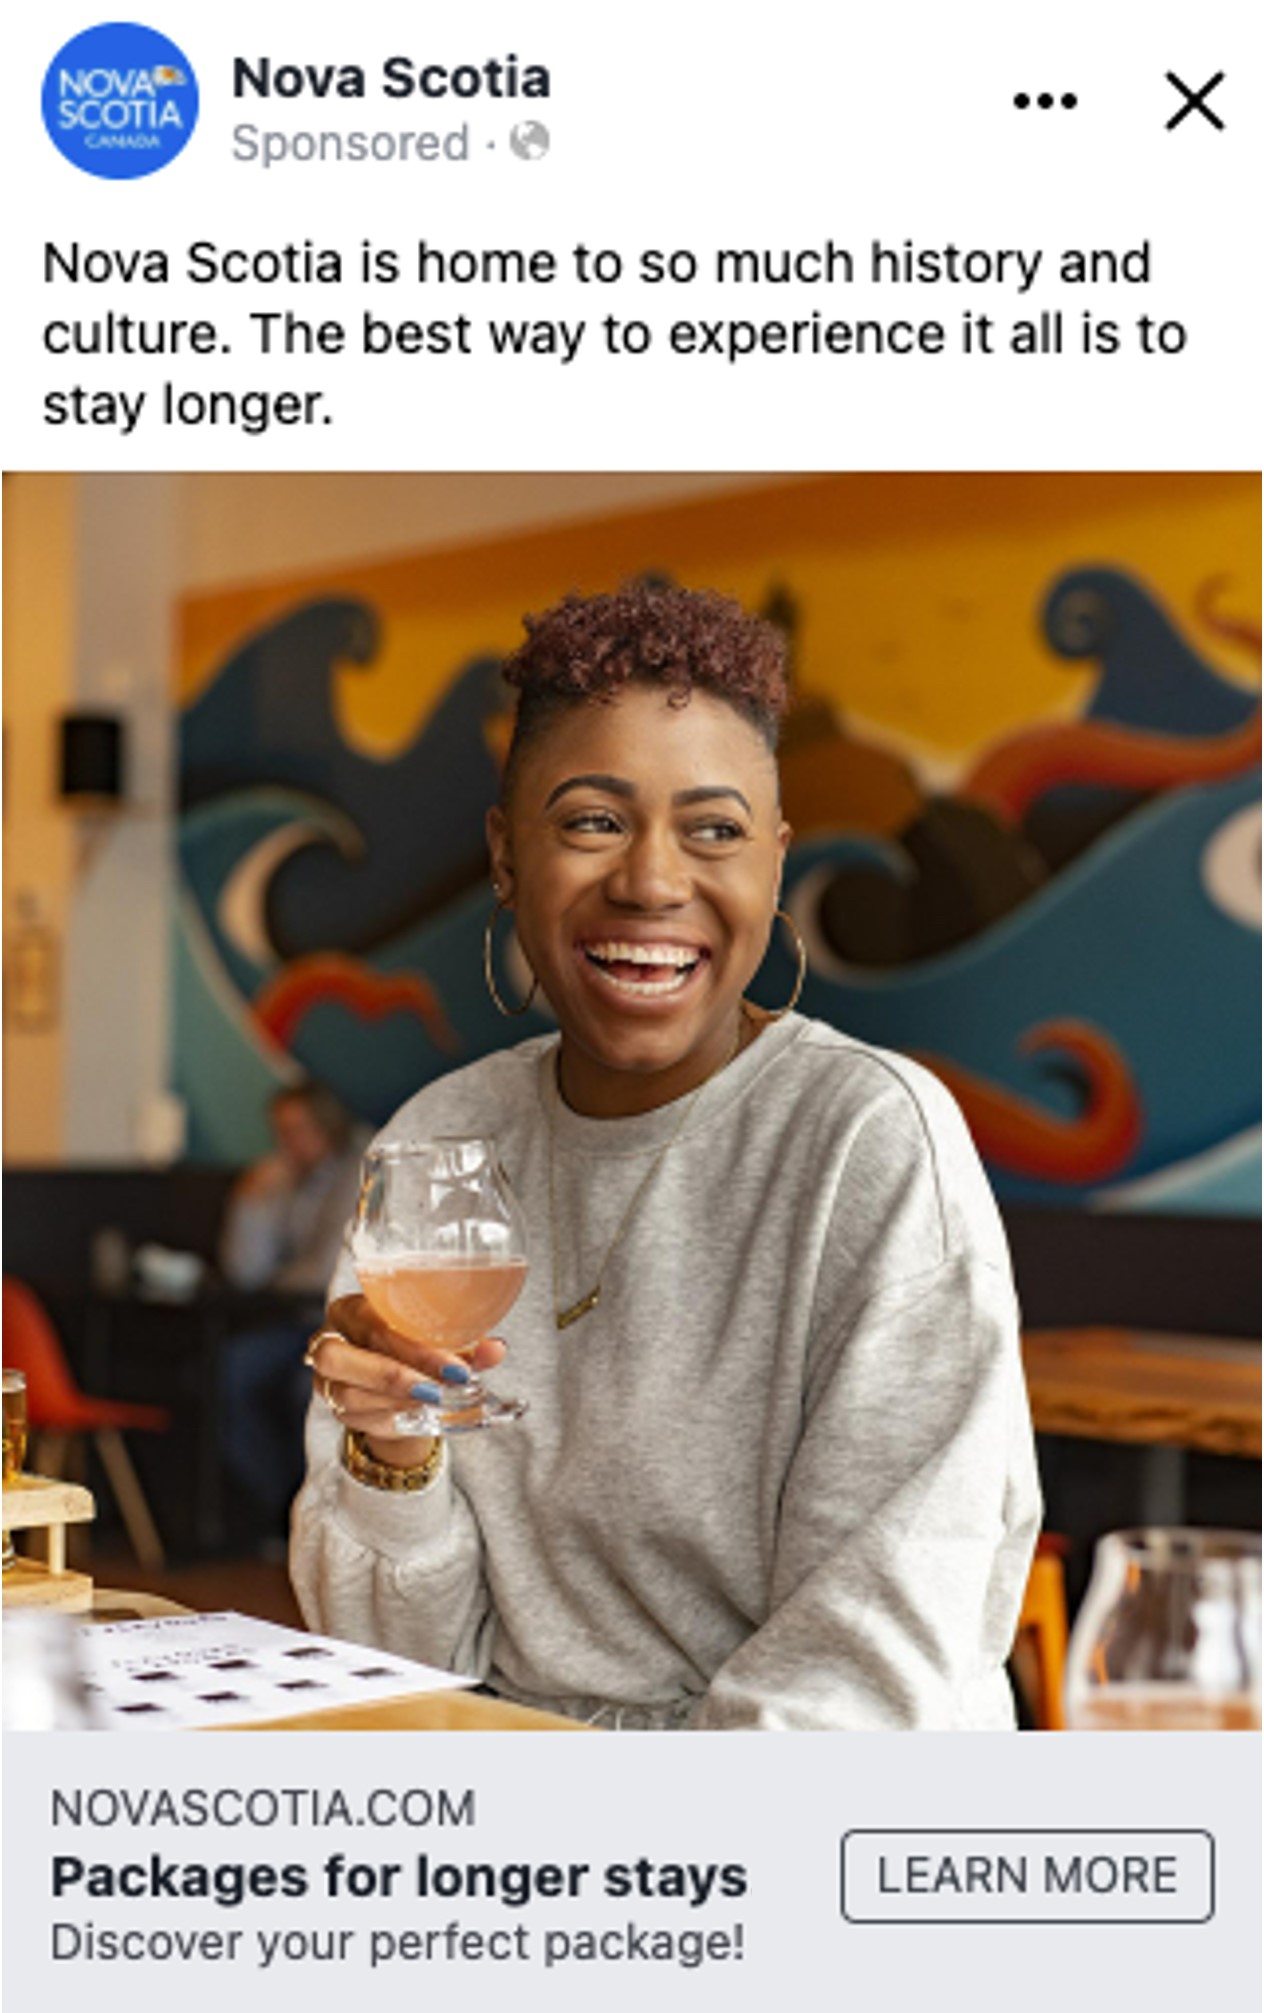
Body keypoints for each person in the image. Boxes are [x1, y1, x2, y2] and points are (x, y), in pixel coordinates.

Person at [291, 584, 1041, 1728]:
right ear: (506, 854)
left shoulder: (870, 1140)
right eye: (592, 819)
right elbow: (394, 1668)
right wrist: (392, 1457)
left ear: (774, 865)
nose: (650, 880)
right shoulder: (438, 1142)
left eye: (715, 829)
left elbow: (869, 1682)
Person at [218, 1081, 363, 1541]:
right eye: (281, 1131)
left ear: (327, 1127)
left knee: (309, 1392)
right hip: (295, 1325)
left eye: (298, 1129)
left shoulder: (363, 1167)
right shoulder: (280, 1176)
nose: (288, 1141)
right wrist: (251, 1202)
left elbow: (326, 1272)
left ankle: (321, 1522)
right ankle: (283, 1510)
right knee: (227, 1371)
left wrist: (274, 1283)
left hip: (354, 1329)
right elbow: (244, 1271)